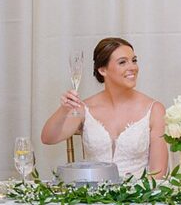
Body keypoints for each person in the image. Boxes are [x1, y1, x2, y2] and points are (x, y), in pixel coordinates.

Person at [41, 37, 168, 178]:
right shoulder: (85, 108)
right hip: (91, 195)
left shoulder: (154, 109)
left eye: (134, 60)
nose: (132, 67)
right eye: (122, 62)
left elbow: (159, 172)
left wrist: (133, 197)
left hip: (137, 196)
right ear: (103, 70)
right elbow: (48, 138)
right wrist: (64, 109)